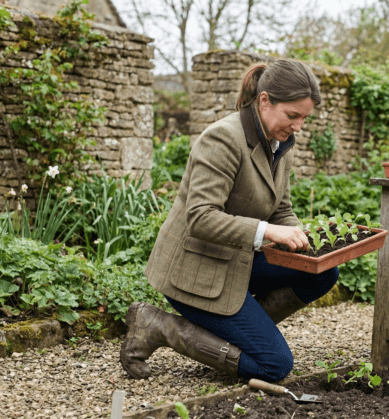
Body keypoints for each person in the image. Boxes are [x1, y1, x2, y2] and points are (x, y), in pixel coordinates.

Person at [120, 59, 339, 382]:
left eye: (304, 118)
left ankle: (234, 332)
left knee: (320, 272)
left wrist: (301, 237)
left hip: (235, 260)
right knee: (274, 366)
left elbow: (281, 210)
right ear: (264, 100)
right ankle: (158, 326)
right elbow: (200, 218)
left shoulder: (280, 143)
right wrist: (267, 231)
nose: (298, 127)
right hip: (196, 271)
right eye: (292, 116)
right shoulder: (223, 139)